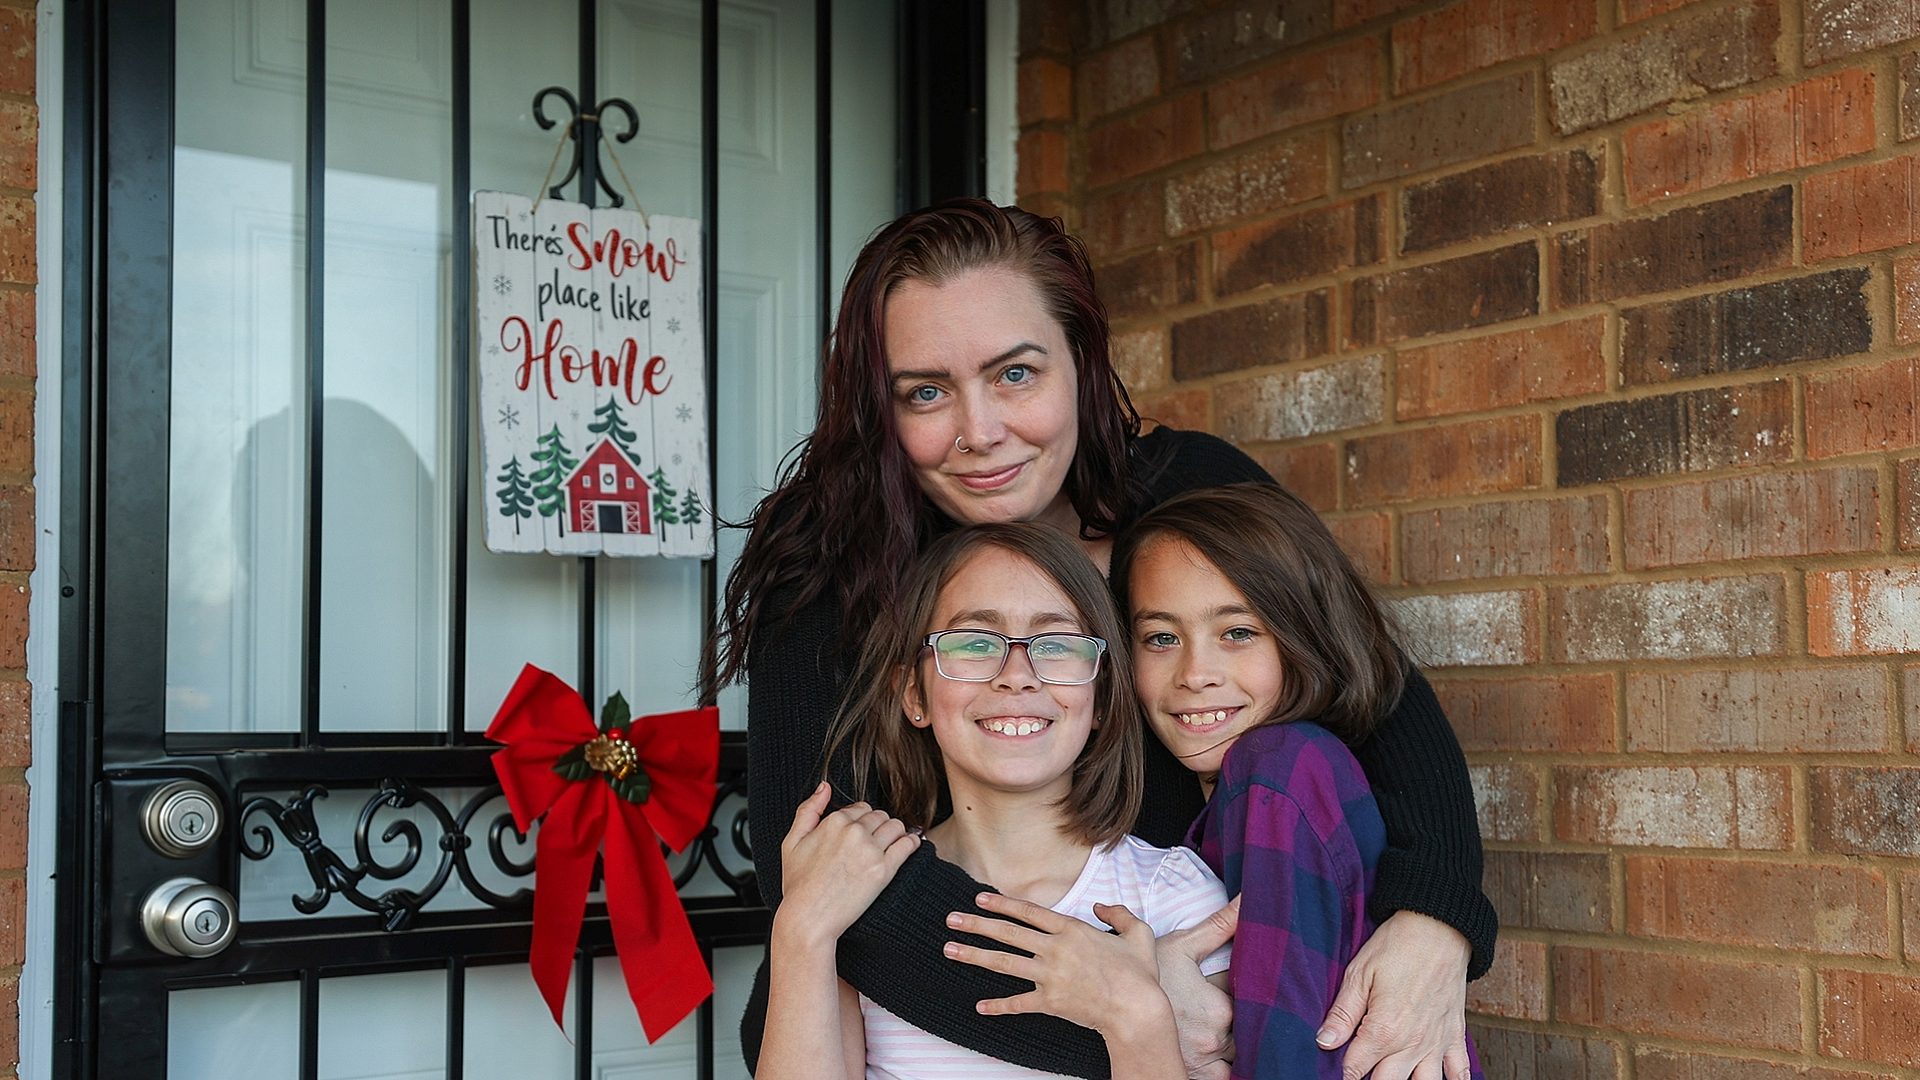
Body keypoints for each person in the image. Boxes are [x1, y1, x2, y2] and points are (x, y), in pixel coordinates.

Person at [703, 198, 1496, 1078]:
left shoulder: (1188, 495)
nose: (979, 431)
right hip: (915, 1015)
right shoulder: (829, 563)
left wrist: (1434, 920)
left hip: (1221, 976)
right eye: (925, 392)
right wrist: (1131, 1011)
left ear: (1080, 361)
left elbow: (1375, 697)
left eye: (1015, 374)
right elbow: (820, 865)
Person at [762, 523, 1230, 1079]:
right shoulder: (861, 886)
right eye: (974, 643)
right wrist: (801, 931)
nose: (1017, 677)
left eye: (1056, 646)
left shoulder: (1171, 896)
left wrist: (1136, 1015)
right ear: (913, 693)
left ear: (1102, 695)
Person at [1104, 484, 1483, 1078]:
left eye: (1237, 632)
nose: (1195, 673)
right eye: (1161, 638)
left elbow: (1288, 1048)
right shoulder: (1220, 798)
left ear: (1305, 635)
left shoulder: (1280, 769)